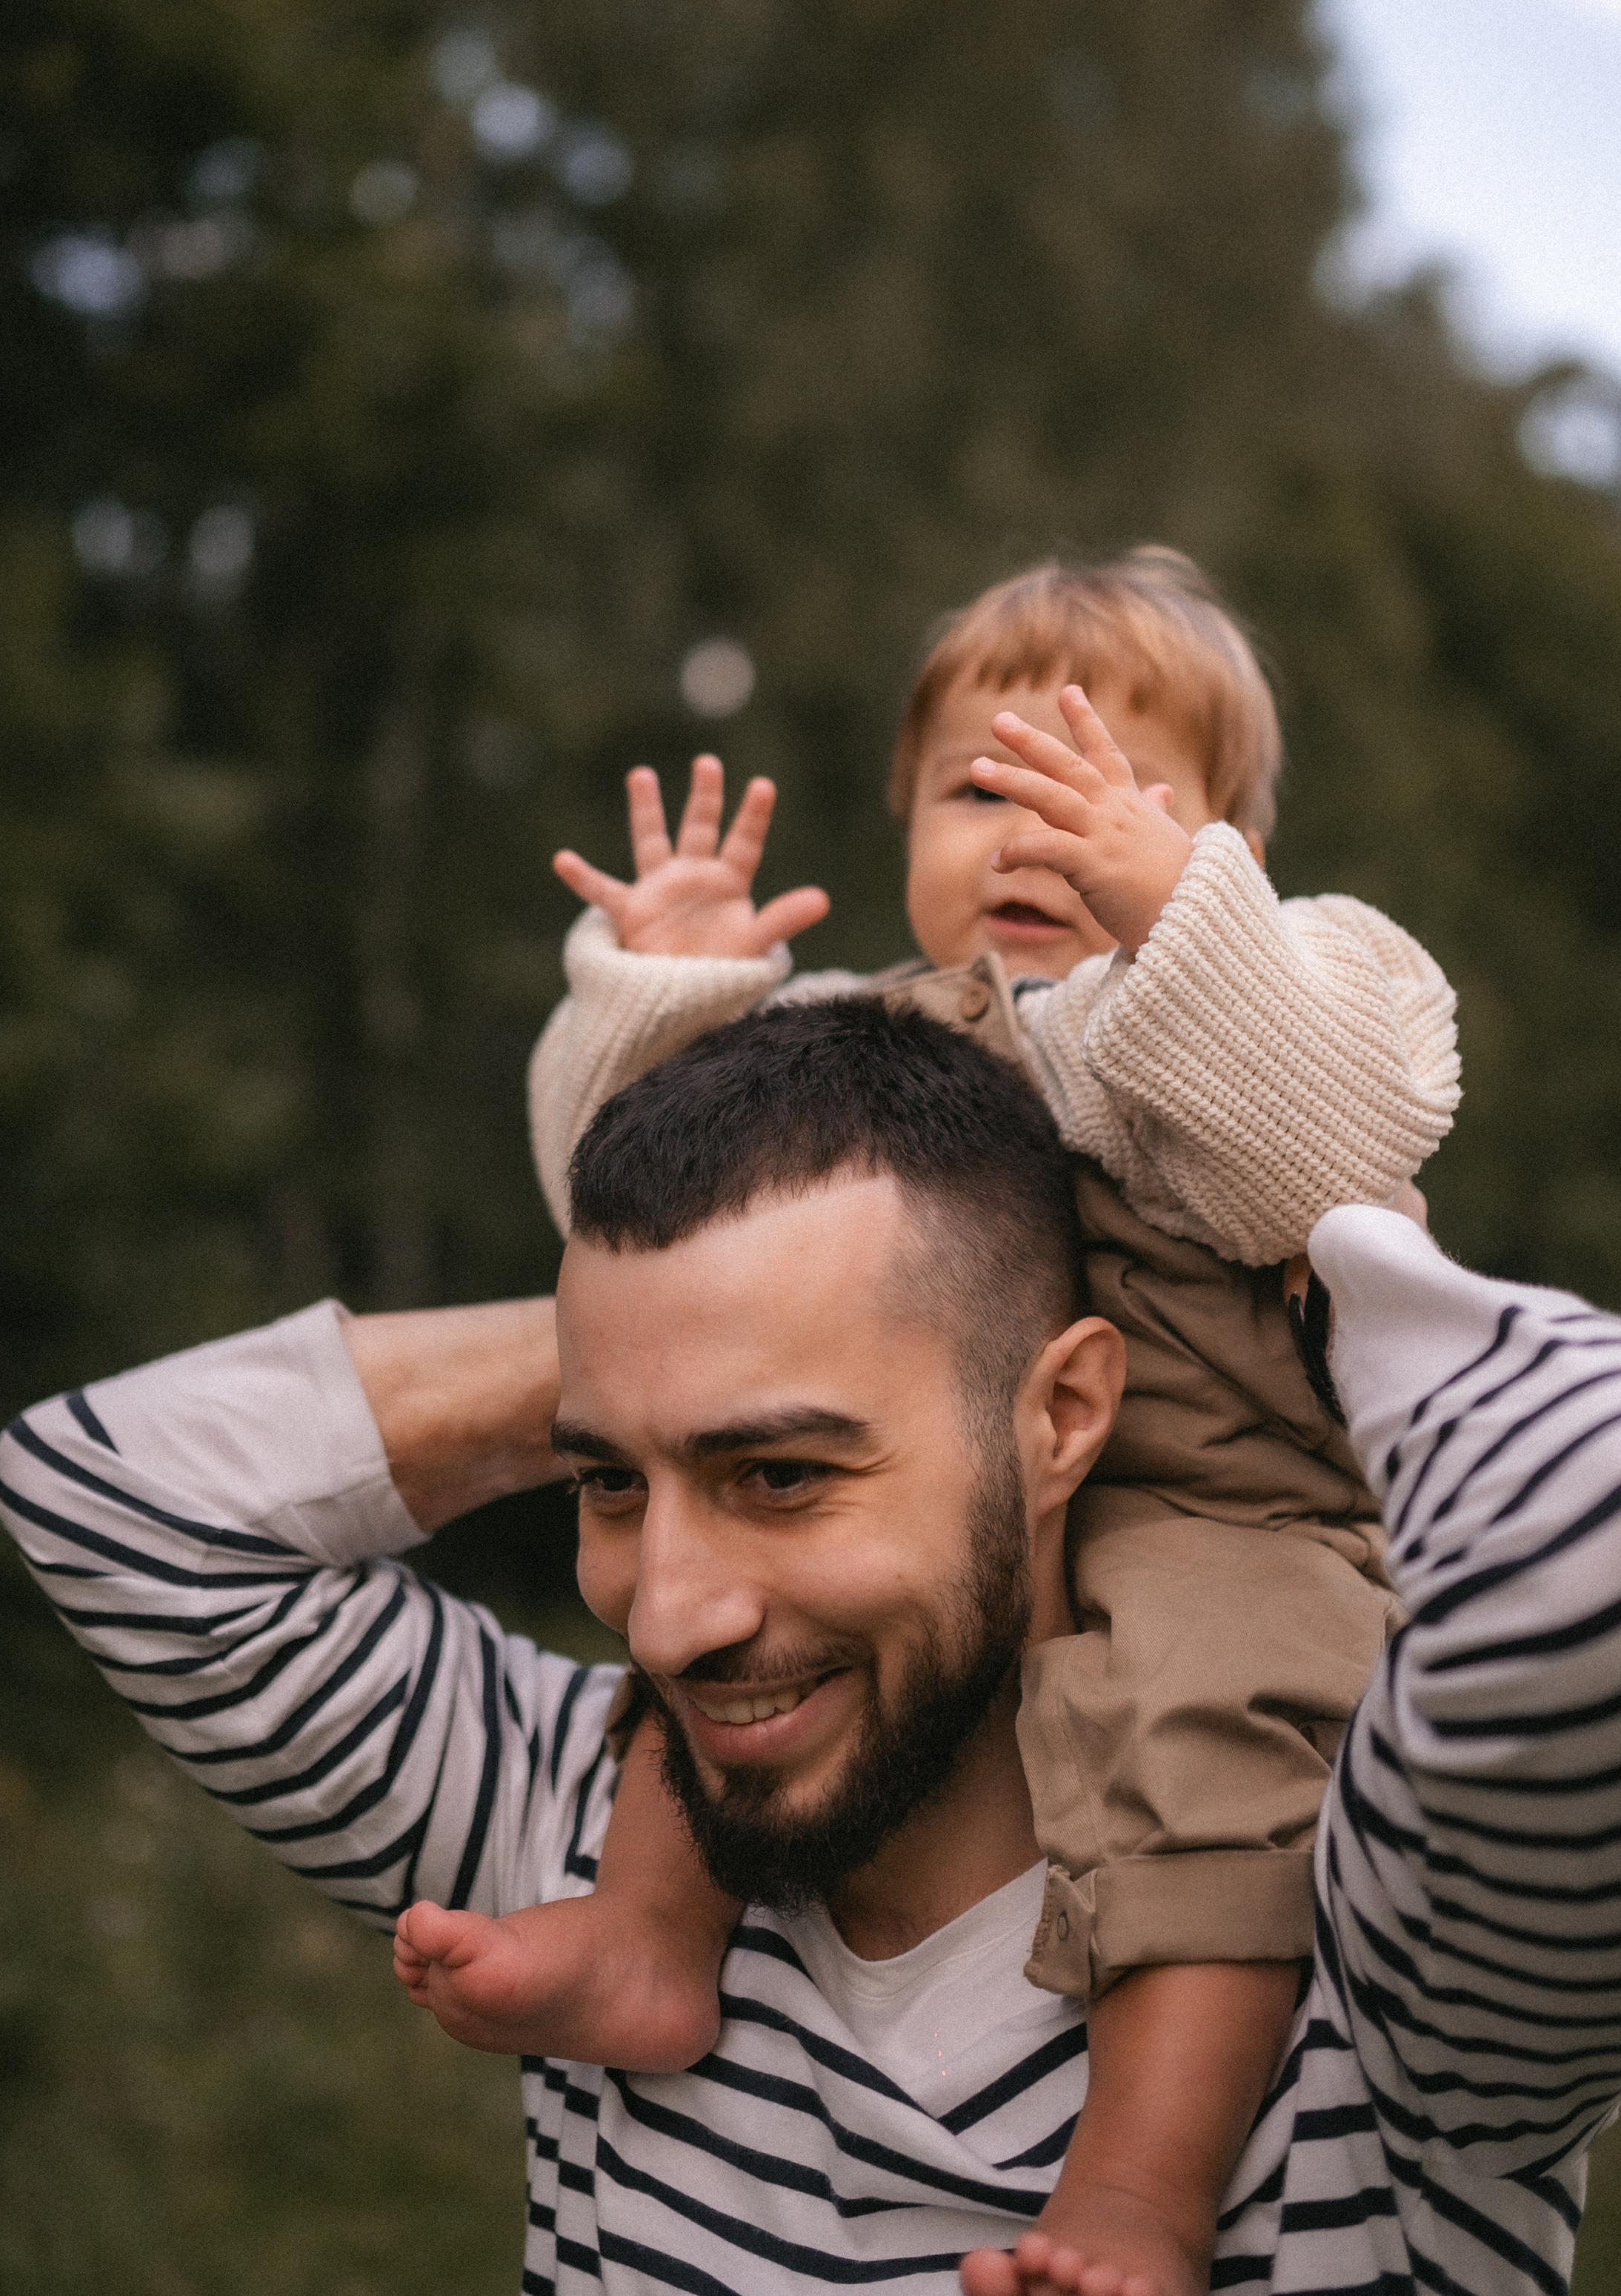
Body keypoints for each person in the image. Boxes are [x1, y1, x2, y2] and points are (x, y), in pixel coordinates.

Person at [0, 998, 1621, 2295]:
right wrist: (672, 1334)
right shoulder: (580, 1835)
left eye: (781, 1470)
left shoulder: (1384, 1945)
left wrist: (1290, 1279)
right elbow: (102, 1495)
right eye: (611, 1477)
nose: (668, 1614)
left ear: (1064, 1411)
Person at [436, 551, 1460, 2286]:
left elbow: (1334, 1143)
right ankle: (647, 1931)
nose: (1039, 828)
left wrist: (1181, 929)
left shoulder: (1293, 980)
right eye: (983, 786)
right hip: (945, 1508)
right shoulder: (873, 1031)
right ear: (900, 822)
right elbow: (638, 1222)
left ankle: (1135, 2188)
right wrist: (660, 998)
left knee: (1215, 1755)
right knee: (718, 1611)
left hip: (1228, 1511)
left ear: (1239, 850)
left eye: (1122, 790)